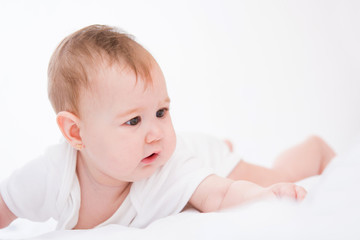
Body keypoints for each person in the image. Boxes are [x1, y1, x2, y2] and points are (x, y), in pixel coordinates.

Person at [0, 25, 335, 230]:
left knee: (278, 178)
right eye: (133, 121)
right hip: (192, 155)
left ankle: (312, 149)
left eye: (161, 112)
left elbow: (221, 194)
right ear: (76, 133)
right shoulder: (51, 177)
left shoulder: (167, 166)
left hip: (204, 158)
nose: (155, 131)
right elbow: (5, 205)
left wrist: (264, 196)